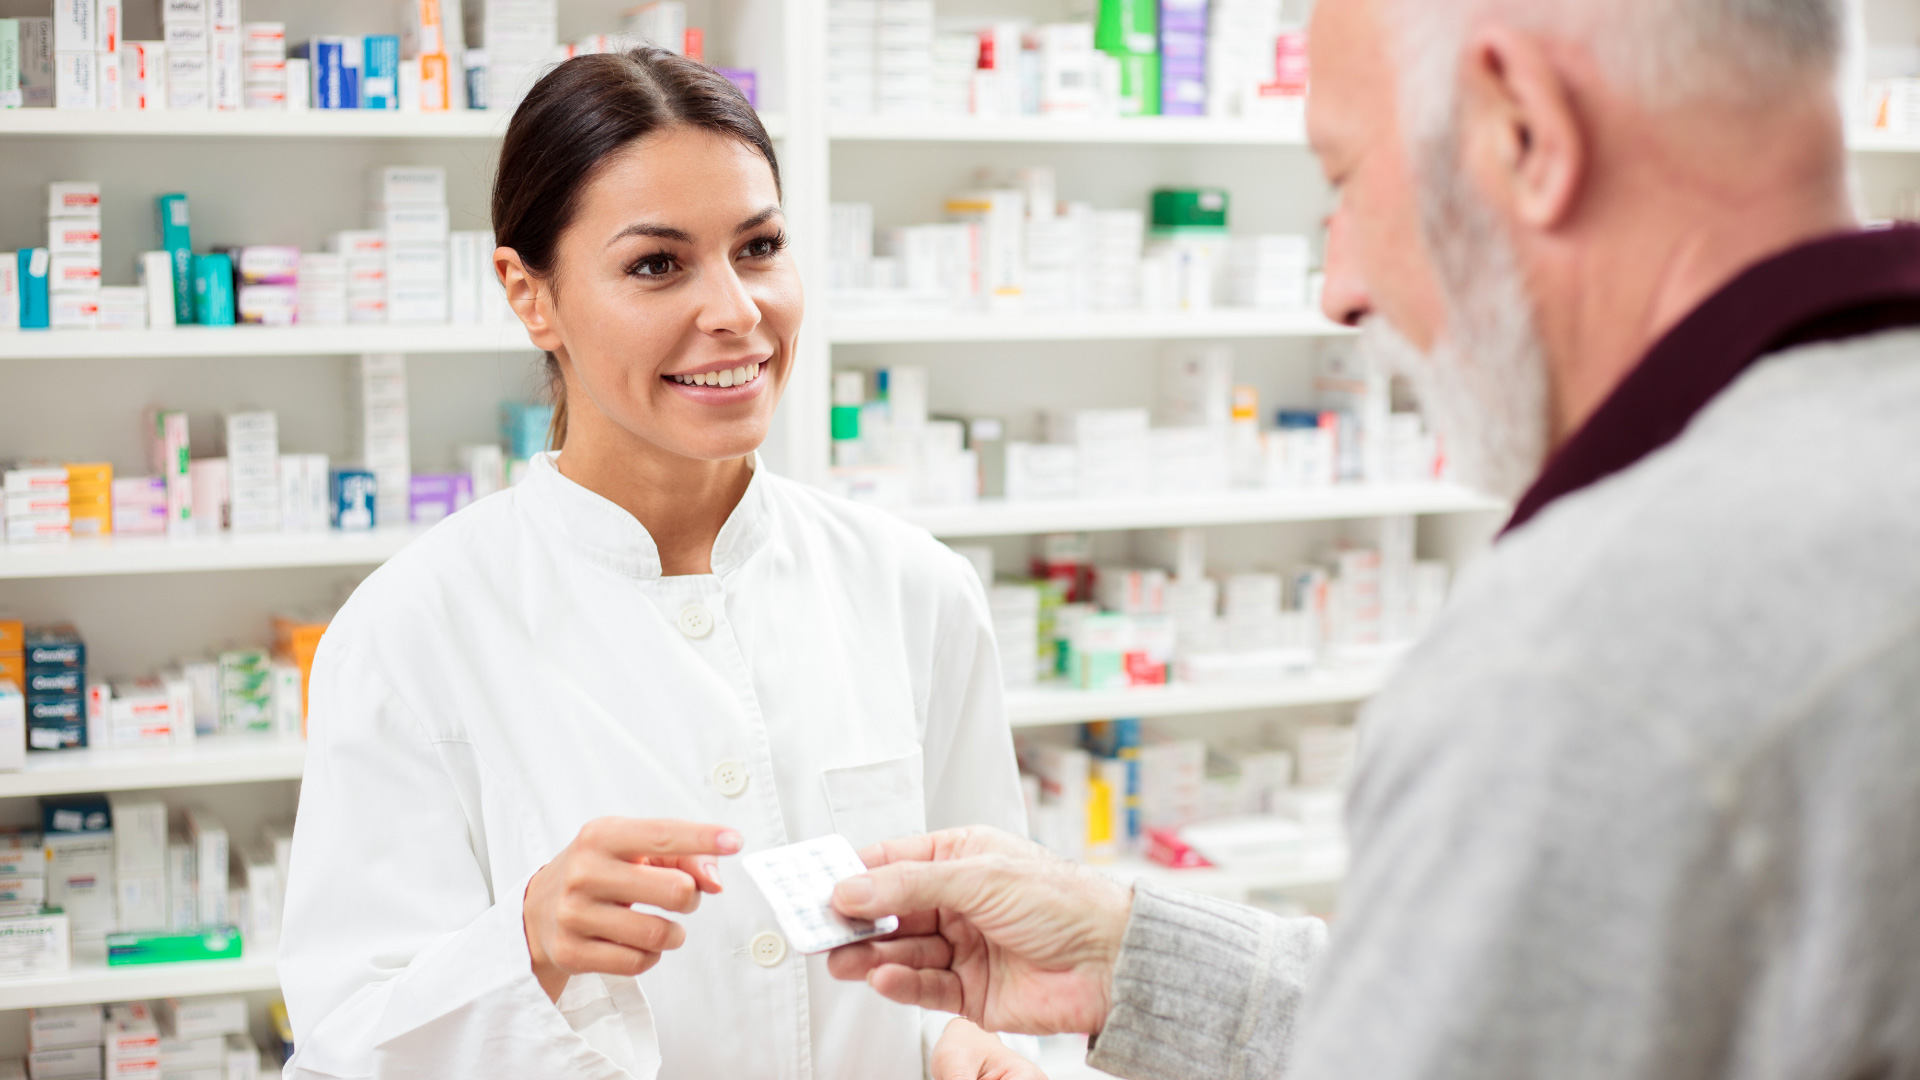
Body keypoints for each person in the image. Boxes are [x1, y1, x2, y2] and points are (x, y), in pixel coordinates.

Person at [826, 0, 1920, 1077]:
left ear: (1524, 130)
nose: (1340, 289)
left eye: (1345, 181)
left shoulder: (1590, 656)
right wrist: (1130, 953)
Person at [278, 49, 1041, 1080]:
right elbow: (346, 1046)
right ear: (529, 294)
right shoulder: (411, 630)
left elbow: (1004, 956)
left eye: (759, 246)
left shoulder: (914, 590)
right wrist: (530, 942)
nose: (734, 311)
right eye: (657, 265)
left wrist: (968, 1043)